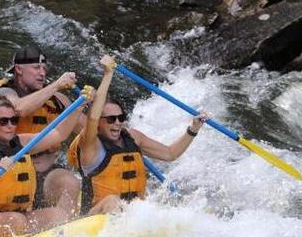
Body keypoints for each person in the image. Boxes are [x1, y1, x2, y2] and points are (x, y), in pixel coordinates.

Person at [68, 55, 207, 215]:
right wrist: (108, 75)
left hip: (133, 219)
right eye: (111, 119)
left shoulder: (133, 137)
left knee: (151, 203)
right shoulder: (90, 144)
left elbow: (170, 153)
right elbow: (92, 117)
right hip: (94, 219)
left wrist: (193, 129)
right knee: (113, 201)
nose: (117, 123)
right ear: (99, 123)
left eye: (121, 118)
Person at [0, 93, 91, 237]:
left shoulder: (20, 142)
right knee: (18, 220)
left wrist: (79, 107)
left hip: (15, 214)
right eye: (3, 121)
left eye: (14, 120)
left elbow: (58, 134)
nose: (10, 126)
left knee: (59, 216)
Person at [0, 45, 81, 217]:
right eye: (36, 67)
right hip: (12, 173)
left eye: (44, 68)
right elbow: (19, 109)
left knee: (70, 182)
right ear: (18, 69)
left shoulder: (58, 99)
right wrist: (57, 84)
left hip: (48, 173)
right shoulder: (4, 92)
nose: (42, 73)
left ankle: (63, 230)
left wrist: (90, 102)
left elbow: (86, 127)